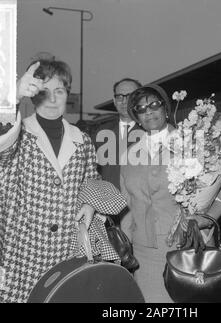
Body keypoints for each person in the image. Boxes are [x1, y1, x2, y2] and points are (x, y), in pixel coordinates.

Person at [0, 59, 126, 303]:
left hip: (68, 251)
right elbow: (3, 143)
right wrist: (11, 98)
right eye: (44, 92)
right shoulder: (17, 133)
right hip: (22, 252)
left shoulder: (82, 140)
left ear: (67, 94)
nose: (53, 99)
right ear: (34, 95)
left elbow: (92, 180)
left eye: (59, 91)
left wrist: (90, 205)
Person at [120, 84, 221, 302]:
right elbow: (127, 202)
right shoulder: (129, 155)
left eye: (154, 104)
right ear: (136, 118)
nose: (149, 111)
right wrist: (124, 246)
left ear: (166, 108)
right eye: (141, 108)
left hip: (186, 247)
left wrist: (209, 217)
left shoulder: (193, 142)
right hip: (143, 253)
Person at [93, 78, 142, 191]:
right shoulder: (100, 133)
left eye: (130, 96)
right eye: (119, 96)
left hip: (139, 206)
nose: (124, 101)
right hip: (107, 204)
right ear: (114, 101)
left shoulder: (149, 133)